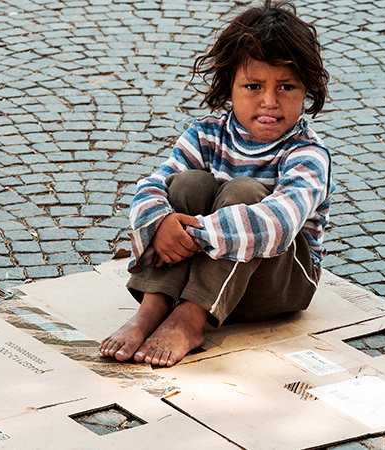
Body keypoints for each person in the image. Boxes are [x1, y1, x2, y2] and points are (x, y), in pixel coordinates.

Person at [99, 0, 333, 367]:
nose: (269, 101)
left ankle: (190, 319)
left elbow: (278, 223)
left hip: (275, 288)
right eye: (253, 86)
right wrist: (161, 224)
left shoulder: (307, 153)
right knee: (187, 184)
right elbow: (153, 186)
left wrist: (193, 234)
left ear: (307, 90)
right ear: (229, 87)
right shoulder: (206, 134)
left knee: (244, 193)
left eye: (286, 87)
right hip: (203, 274)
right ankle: (153, 308)